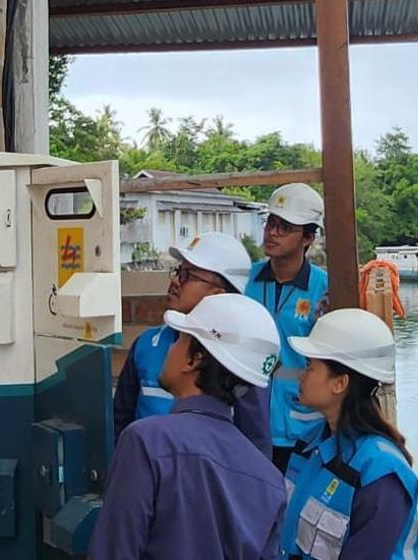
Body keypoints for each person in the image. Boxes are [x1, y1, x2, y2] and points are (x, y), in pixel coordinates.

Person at [89, 294, 286, 559]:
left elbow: (113, 551)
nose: (170, 348)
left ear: (194, 360)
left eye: (180, 338)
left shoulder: (146, 442)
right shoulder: (271, 481)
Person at [113, 232, 270, 456]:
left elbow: (255, 446)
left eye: (189, 276)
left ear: (217, 294)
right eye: (178, 271)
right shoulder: (146, 345)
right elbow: (119, 420)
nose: (175, 281)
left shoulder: (238, 359)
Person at [280, 308, 418, 560]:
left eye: (310, 366)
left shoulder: (381, 474)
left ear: (339, 383)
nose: (301, 374)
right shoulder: (309, 444)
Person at [245, 183, 329, 472]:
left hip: (304, 430)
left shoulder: (324, 289)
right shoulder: (245, 280)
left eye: (285, 226)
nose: (273, 232)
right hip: (249, 423)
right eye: (271, 223)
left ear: (308, 236)